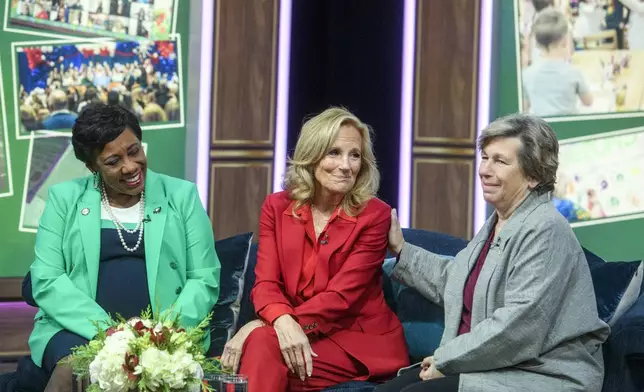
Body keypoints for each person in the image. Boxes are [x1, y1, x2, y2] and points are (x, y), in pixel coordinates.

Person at [376, 113, 610, 392]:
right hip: (493, 367)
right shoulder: (498, 221)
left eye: (499, 161)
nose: (485, 169)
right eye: (485, 157)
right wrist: (401, 249)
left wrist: (445, 359)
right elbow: (456, 281)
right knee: (386, 391)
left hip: (543, 376)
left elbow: (518, 327)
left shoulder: (545, 229)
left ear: (533, 175)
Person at [25, 103, 221, 392]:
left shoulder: (182, 196)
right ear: (92, 166)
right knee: (73, 370)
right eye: (113, 161)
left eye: (134, 151)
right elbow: (46, 278)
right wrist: (108, 331)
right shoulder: (63, 200)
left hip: (165, 332)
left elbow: (204, 277)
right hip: (79, 329)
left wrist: (162, 332)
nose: (130, 167)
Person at [221, 107, 409, 391]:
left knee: (259, 350)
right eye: (334, 152)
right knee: (261, 354)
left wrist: (260, 326)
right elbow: (266, 284)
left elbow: (340, 298)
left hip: (354, 339)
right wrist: (282, 324)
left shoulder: (374, 215)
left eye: (354, 155)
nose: (346, 165)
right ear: (311, 155)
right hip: (291, 333)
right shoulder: (277, 206)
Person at [522, 8, 593, 117]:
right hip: (572, 129)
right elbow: (588, 102)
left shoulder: (526, 75)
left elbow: (524, 108)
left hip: (541, 132)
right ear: (564, 40)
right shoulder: (573, 73)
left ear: (537, 42)